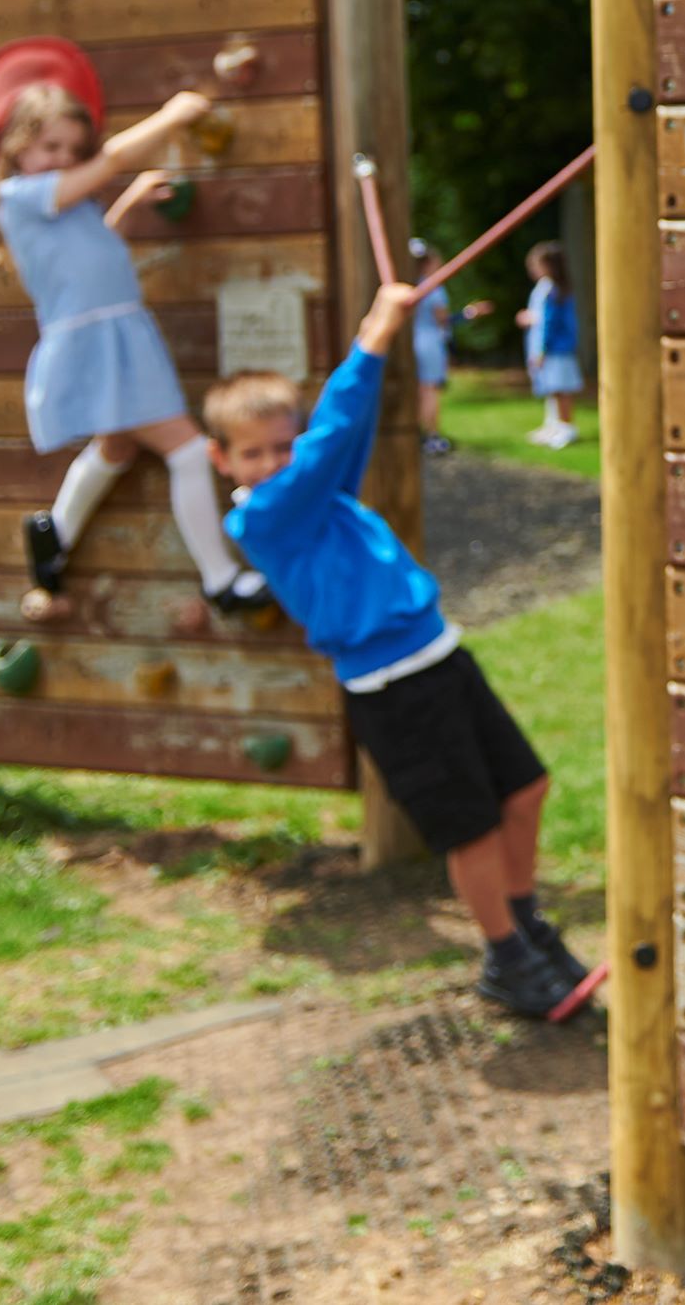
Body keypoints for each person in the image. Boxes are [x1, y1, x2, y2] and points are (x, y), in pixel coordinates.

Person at [210, 282, 600, 1021]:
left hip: (437, 656)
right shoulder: (267, 517)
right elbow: (333, 436)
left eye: (283, 446)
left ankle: (525, 924)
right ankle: (505, 958)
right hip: (392, 688)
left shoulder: (315, 493)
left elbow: (342, 438)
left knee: (525, 789)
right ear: (221, 460)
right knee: (469, 830)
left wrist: (376, 353)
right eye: (252, 453)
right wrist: (375, 336)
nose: (273, 463)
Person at [0, 81, 268, 613]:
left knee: (117, 447)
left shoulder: (70, 207)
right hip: (96, 342)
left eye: (73, 150)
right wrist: (171, 116)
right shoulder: (20, 197)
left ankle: (54, 537)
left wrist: (131, 204)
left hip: (114, 336)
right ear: (17, 147)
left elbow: (96, 248)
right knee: (187, 448)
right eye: (51, 147)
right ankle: (220, 578)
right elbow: (112, 158)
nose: (63, 159)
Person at [517, 244, 581, 450]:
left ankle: (566, 428)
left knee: (561, 389)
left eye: (536, 265)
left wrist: (541, 350)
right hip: (550, 348)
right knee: (552, 389)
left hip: (556, 349)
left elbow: (548, 322)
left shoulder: (552, 290)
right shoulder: (546, 288)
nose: (533, 269)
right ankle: (553, 425)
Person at [406, 243, 456, 457]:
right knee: (430, 391)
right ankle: (433, 435)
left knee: (419, 391)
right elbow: (442, 319)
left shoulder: (410, 285)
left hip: (413, 341)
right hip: (430, 342)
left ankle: (416, 433)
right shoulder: (433, 288)